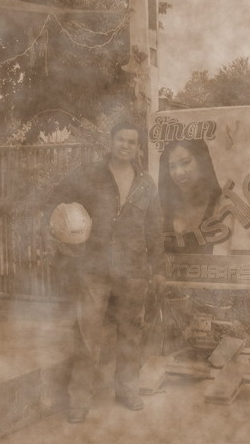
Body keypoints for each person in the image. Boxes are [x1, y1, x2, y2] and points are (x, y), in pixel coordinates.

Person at [47, 121, 165, 423]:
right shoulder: (89, 174)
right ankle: (79, 400)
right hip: (94, 268)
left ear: (138, 148)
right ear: (111, 142)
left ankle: (127, 390)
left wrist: (158, 269)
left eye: (131, 142)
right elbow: (58, 200)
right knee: (87, 334)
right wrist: (64, 231)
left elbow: (154, 228)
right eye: (120, 139)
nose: (125, 146)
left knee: (131, 334)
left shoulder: (146, 184)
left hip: (134, 269)